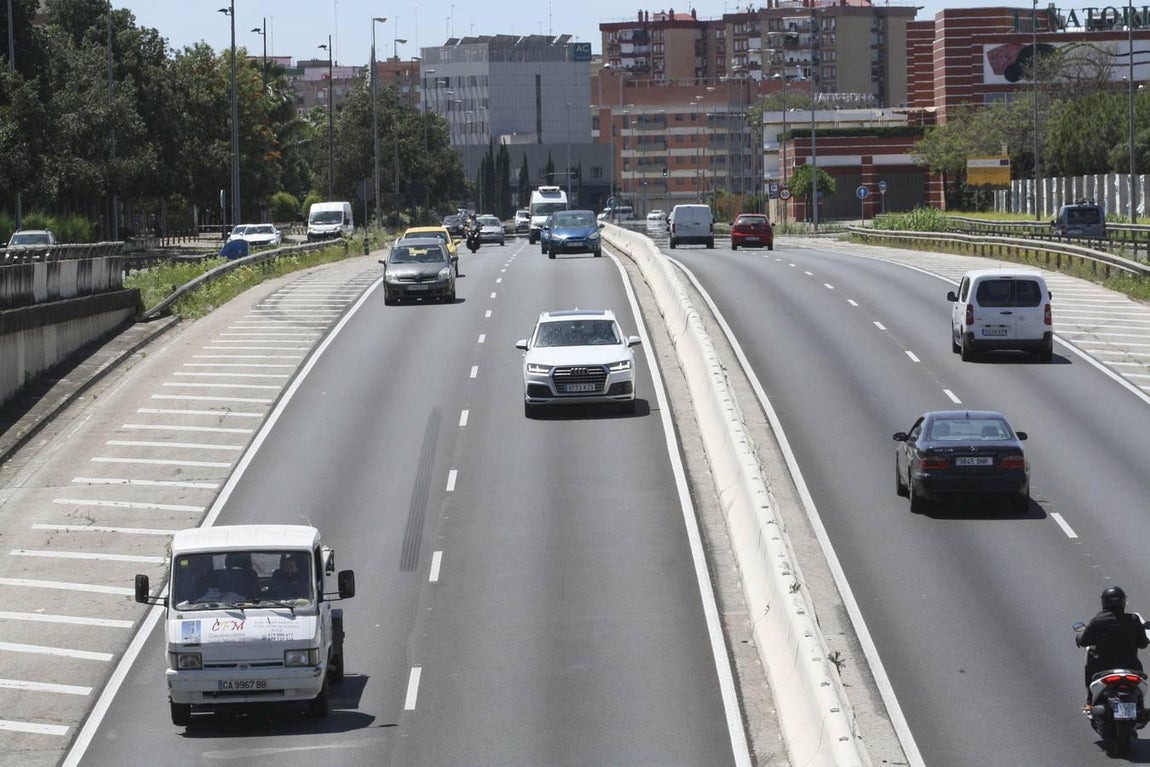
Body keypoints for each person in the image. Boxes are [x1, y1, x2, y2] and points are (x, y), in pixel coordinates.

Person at [1076, 586, 1148, 708]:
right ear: (1123, 602)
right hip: (1130, 666)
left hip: (1103, 667)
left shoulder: (1097, 621)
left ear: (1104, 602)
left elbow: (1084, 642)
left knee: (1090, 664)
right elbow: (1143, 644)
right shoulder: (1134, 620)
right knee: (1140, 671)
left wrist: (1078, 637)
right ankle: (1140, 704)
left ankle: (1089, 701)